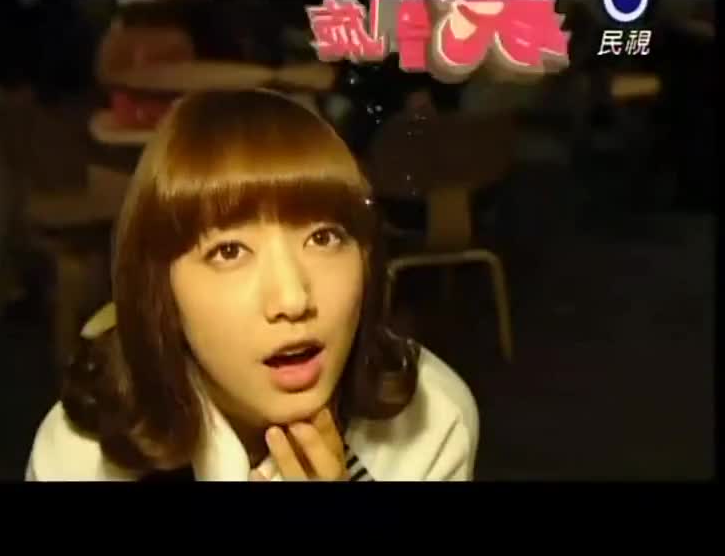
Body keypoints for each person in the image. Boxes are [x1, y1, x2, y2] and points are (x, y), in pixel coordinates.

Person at [26, 89, 478, 481]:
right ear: (158, 289)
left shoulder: (431, 421)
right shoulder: (85, 453)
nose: (293, 299)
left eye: (323, 238)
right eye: (229, 252)